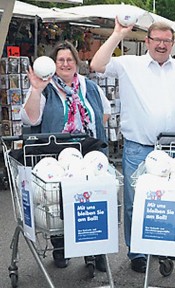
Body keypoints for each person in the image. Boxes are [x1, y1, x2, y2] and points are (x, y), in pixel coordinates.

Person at [90, 20, 175, 273]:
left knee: (169, 201)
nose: (161, 44)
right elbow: (97, 64)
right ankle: (137, 252)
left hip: (173, 149)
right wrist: (117, 34)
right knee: (136, 203)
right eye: (156, 39)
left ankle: (164, 246)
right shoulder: (128, 65)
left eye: (166, 40)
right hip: (139, 147)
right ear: (147, 41)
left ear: (172, 43)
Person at [21, 40, 111, 271]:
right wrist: (36, 90)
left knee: (93, 201)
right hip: (56, 156)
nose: (65, 63)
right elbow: (31, 119)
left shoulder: (89, 86)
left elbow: (105, 114)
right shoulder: (45, 86)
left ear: (76, 62)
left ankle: (95, 250)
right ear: (53, 63)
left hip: (89, 154)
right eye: (60, 59)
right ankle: (60, 246)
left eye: (69, 59)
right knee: (57, 203)